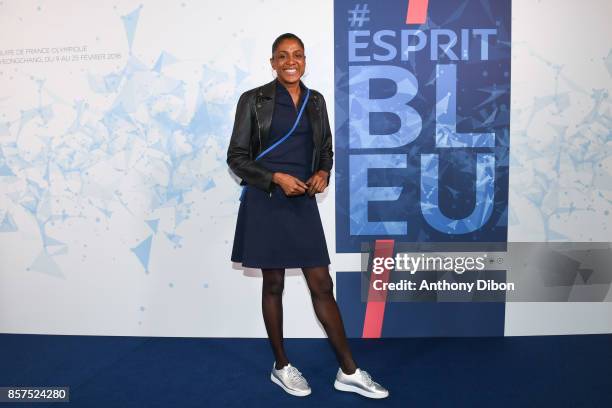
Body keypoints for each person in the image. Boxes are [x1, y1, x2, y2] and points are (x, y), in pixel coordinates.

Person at [226, 33, 389, 399]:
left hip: (300, 203)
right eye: (282, 56)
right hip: (266, 200)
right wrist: (274, 178)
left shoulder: (315, 102)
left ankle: (348, 370)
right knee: (273, 284)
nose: (290, 61)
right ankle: (281, 366)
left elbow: (326, 150)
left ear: (305, 60)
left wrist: (323, 173)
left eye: (297, 55)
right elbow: (236, 157)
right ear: (272, 62)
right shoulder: (253, 100)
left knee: (321, 284)